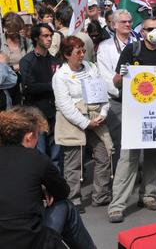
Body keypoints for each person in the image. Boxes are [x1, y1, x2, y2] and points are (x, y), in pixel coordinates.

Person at [108, 18, 156, 223]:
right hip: (135, 113)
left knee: (154, 156)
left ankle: (148, 195)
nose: (155, 31)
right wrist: (122, 76)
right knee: (128, 159)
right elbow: (116, 81)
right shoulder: (132, 50)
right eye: (150, 29)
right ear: (143, 32)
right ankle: (117, 205)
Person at [0, 107, 96, 249]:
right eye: (37, 135)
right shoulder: (36, 158)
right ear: (29, 137)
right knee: (66, 206)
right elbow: (63, 192)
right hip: (32, 242)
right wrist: (44, 189)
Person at [53, 36, 112, 213]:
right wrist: (86, 123)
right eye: (78, 52)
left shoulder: (91, 67)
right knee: (73, 163)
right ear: (66, 55)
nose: (82, 55)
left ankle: (101, 195)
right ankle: (73, 199)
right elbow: (65, 106)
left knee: (104, 155)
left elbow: (103, 93)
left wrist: (103, 113)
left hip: (96, 116)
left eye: (83, 51)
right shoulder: (60, 76)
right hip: (73, 121)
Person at [95, 10, 139, 168]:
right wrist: (121, 92)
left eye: (129, 21)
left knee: (138, 137)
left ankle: (138, 171)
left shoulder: (139, 43)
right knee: (119, 139)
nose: (127, 24)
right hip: (117, 99)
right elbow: (105, 75)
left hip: (139, 99)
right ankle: (119, 175)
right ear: (113, 25)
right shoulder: (105, 47)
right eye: (123, 22)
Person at [20, 23, 62, 170]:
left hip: (55, 112)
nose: (49, 39)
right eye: (45, 36)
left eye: (51, 36)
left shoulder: (55, 61)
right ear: (36, 38)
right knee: (40, 153)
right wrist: (52, 85)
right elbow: (29, 87)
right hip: (37, 114)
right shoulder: (27, 61)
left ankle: (56, 181)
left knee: (56, 156)